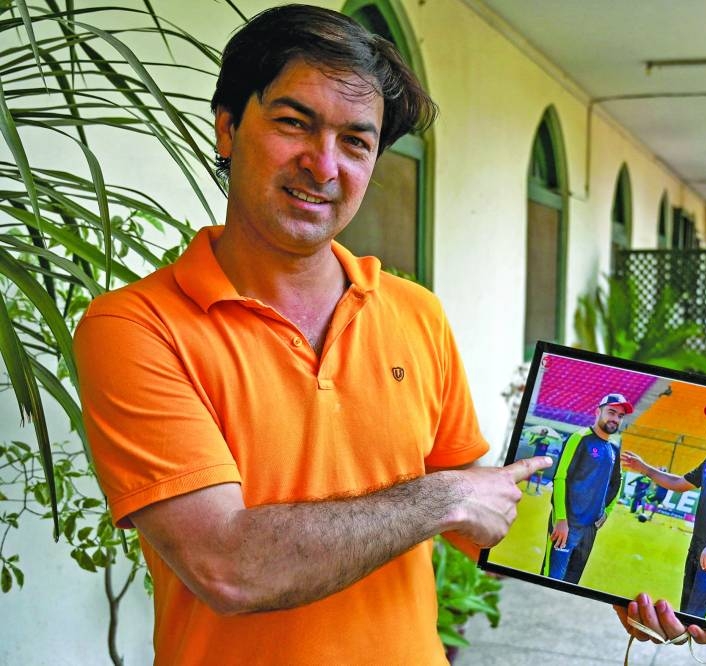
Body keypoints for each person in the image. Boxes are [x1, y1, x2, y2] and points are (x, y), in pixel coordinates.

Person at [72, 6, 550, 664]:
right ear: (227, 129)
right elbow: (227, 565)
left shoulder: (416, 313)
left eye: (355, 142)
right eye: (294, 123)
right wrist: (441, 499)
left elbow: (479, 512)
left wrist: (621, 581)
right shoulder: (137, 327)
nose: (323, 165)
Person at [622, 402, 706, 621]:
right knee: (686, 617)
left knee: (699, 623)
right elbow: (679, 483)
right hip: (698, 549)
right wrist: (645, 469)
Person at [542, 393, 629, 583]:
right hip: (567, 525)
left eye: (620, 416)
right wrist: (561, 519)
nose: (615, 419)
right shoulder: (579, 438)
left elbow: (616, 483)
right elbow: (560, 477)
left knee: (572, 584)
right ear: (598, 412)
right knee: (551, 580)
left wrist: (606, 512)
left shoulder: (614, 449)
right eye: (611, 412)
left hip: (590, 530)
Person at [524, 427, 559, 494]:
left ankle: (527, 488)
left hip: (535, 458)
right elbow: (542, 447)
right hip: (542, 459)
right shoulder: (547, 441)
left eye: (541, 431)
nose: (540, 432)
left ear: (542, 433)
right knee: (540, 475)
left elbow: (530, 443)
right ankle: (537, 489)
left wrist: (533, 436)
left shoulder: (538, 439)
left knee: (531, 473)